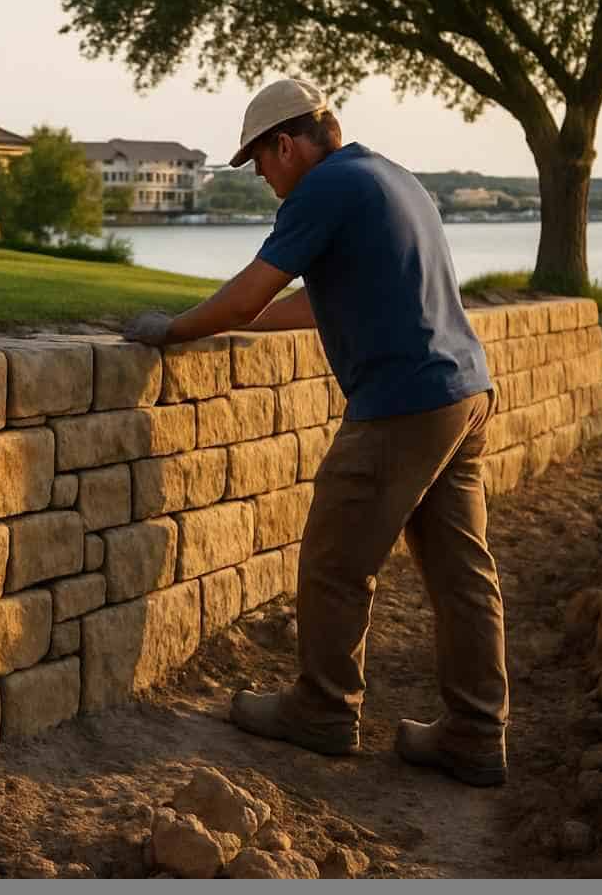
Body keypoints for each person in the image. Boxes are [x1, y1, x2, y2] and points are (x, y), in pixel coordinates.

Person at [122, 79, 507, 787]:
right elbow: (307, 303)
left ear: (286, 144)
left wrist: (172, 330)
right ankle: (475, 734)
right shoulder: (390, 176)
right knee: (461, 573)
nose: (263, 178)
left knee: (335, 563)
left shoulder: (323, 189)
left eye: (260, 163)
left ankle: (323, 712)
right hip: (465, 393)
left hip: (401, 403)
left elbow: (250, 289)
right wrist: (239, 321)